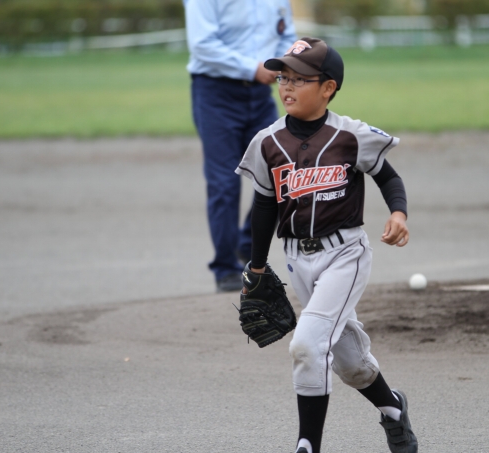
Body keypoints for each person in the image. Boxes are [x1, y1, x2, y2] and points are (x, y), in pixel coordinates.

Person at [236, 37, 418, 453]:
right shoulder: (267, 142)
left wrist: (398, 213)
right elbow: (264, 205)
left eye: (299, 79)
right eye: (283, 77)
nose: (287, 86)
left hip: (345, 255)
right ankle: (393, 409)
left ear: (328, 88)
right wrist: (257, 266)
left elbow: (388, 177)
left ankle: (307, 445)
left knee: (306, 346)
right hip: (297, 260)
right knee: (350, 362)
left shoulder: (351, 135)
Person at [182, 0, 297, 292]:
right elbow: (202, 44)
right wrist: (251, 68)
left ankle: (247, 245)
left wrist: (279, 63)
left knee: (281, 172)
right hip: (215, 93)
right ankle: (225, 268)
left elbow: (286, 35)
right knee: (224, 182)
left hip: (261, 95)